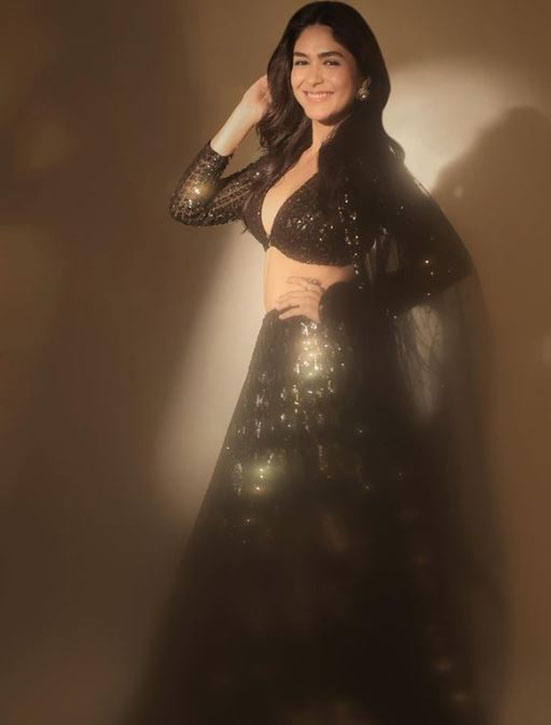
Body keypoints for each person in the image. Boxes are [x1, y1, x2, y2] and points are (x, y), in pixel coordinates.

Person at [124, 3, 505, 724]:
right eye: (301, 62)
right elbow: (190, 205)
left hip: (336, 367)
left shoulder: (369, 167)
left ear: (364, 79)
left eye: (332, 61)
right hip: (278, 363)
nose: (313, 77)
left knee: (337, 529)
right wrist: (243, 113)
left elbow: (443, 260)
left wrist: (349, 304)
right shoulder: (282, 162)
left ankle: (347, 695)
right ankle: (286, 693)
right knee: (270, 524)